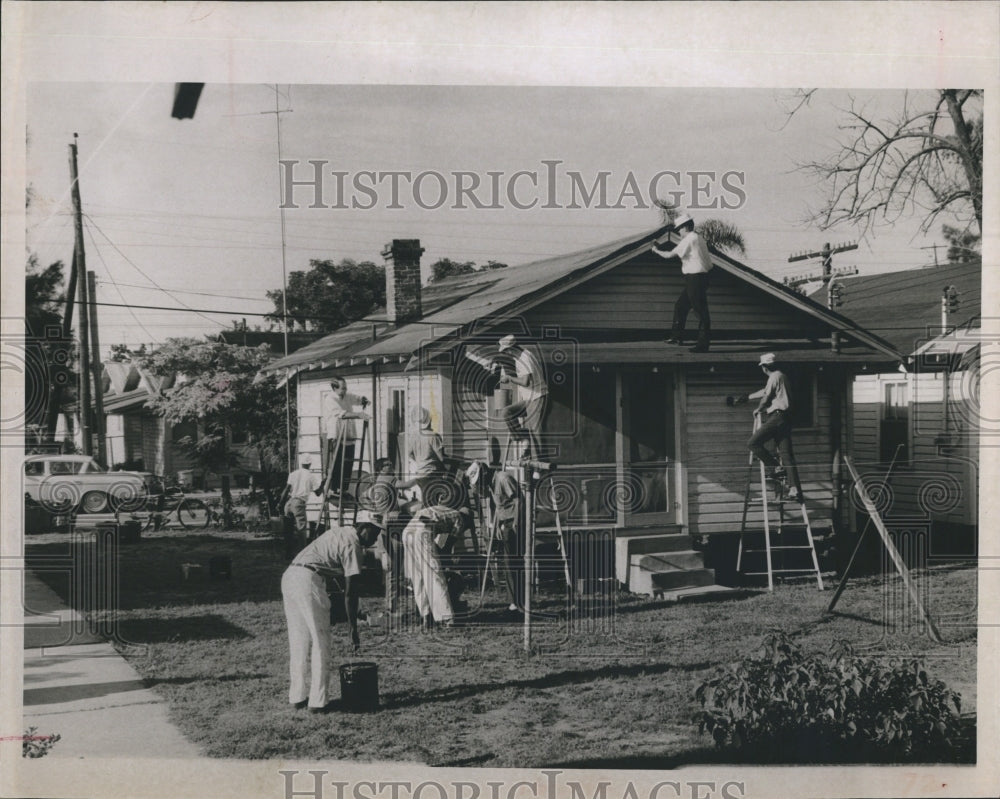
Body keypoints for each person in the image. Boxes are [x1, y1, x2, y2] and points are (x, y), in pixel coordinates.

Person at [280, 511, 382, 713]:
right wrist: (353, 628)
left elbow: (338, 585)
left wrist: (356, 613)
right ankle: (318, 702)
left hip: (290, 576)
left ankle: (297, 697)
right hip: (308, 581)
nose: (376, 538)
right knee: (321, 642)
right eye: (375, 532)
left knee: (298, 640)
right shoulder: (353, 545)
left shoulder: (339, 531)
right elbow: (350, 592)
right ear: (363, 527)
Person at [651, 213, 714, 352]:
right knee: (680, 306)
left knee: (701, 312)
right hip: (700, 277)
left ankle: (703, 345)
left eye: (679, 228)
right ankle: (676, 337)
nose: (678, 232)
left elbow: (669, 255)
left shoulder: (690, 239)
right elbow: (709, 264)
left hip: (695, 278)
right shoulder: (700, 239)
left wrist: (656, 250)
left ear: (685, 227)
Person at [401, 504, 470, 629]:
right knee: (435, 575)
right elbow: (447, 546)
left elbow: (440, 544)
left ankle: (426, 616)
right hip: (422, 532)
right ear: (468, 519)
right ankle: (447, 618)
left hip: (408, 531)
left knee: (418, 577)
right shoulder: (460, 519)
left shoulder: (445, 510)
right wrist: (444, 563)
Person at [746, 353, 803, 501]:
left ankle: (776, 467)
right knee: (787, 455)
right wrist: (747, 397)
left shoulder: (774, 377)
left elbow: (766, 396)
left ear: (764, 367)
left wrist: (759, 409)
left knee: (753, 443)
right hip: (786, 418)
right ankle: (795, 489)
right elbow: (768, 393)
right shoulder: (782, 377)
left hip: (777, 417)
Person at [496, 334, 549, 458]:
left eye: (506, 351)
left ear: (511, 348)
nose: (507, 354)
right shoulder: (520, 357)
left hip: (537, 397)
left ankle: (538, 465)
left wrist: (510, 378)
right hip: (528, 399)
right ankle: (523, 438)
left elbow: (526, 381)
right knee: (507, 412)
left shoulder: (524, 358)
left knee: (535, 431)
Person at [321, 376, 369, 496]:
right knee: (337, 463)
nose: (345, 391)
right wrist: (358, 415)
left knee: (348, 462)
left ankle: (344, 489)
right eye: (342, 388)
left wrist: (363, 400)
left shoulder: (346, 396)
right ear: (334, 388)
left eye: (345, 388)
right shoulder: (330, 399)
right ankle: (333, 489)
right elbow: (341, 414)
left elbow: (355, 398)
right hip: (336, 434)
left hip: (348, 434)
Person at [490, 466, 524, 613]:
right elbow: (499, 506)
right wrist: (496, 524)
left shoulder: (503, 478)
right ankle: (514, 601)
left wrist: (516, 521)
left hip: (514, 522)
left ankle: (519, 601)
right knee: (507, 562)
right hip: (504, 523)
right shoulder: (491, 483)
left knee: (514, 561)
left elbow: (518, 499)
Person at [277, 454, 323, 554]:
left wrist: (280, 503)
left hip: (289, 502)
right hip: (299, 503)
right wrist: (324, 483)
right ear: (310, 464)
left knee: (288, 530)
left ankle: (288, 552)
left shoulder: (293, 474)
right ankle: (302, 553)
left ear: (301, 463)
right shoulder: (311, 476)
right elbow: (318, 493)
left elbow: (286, 490)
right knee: (301, 530)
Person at [407, 406, 447, 506]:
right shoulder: (433, 436)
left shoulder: (413, 436)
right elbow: (442, 458)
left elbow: (410, 454)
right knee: (432, 504)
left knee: (427, 501)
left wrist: (420, 461)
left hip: (421, 474)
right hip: (432, 474)